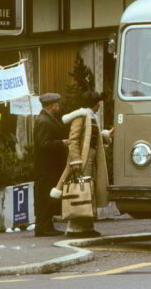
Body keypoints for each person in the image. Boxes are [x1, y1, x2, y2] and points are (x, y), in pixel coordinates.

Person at [51, 91, 111, 238]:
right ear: (95, 104)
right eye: (98, 104)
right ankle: (74, 228)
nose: (99, 106)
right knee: (80, 192)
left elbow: (91, 137)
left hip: (90, 158)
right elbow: (74, 139)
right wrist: (76, 159)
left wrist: (106, 135)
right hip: (83, 159)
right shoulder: (81, 116)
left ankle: (86, 226)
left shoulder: (91, 116)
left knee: (88, 193)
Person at [32, 93, 69, 237]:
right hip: (45, 166)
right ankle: (42, 228)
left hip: (50, 166)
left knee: (47, 196)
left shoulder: (49, 119)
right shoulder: (44, 122)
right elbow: (44, 144)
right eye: (57, 105)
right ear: (51, 106)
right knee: (44, 197)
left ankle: (47, 226)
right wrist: (62, 143)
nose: (59, 107)